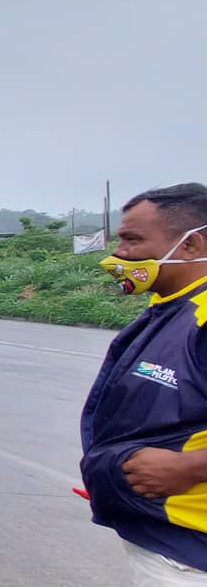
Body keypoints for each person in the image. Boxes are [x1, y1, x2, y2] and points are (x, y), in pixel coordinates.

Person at [80, 182, 207, 586]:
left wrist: (189, 466)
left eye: (133, 240)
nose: (119, 254)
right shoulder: (171, 308)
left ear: (191, 244)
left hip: (191, 553)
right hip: (167, 539)